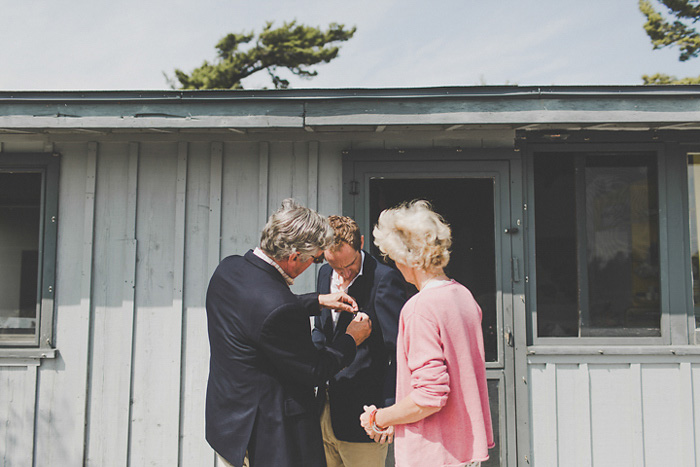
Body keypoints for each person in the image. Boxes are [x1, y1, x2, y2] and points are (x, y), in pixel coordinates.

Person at [205, 199, 372, 467]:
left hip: (227, 425)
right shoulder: (277, 309)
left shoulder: (229, 269)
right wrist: (351, 338)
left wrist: (317, 300)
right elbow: (315, 370)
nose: (317, 264)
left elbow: (259, 311)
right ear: (294, 256)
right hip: (267, 437)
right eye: (317, 259)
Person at [360, 200, 494, 467]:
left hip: (433, 455)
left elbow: (429, 397)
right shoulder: (463, 295)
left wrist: (379, 418)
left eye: (392, 256)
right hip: (464, 452)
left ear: (406, 257)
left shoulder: (419, 308)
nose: (395, 265)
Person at [312, 216, 407, 467]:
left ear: (361, 243)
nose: (343, 274)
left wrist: (388, 410)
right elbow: (321, 330)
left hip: (365, 417)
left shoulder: (385, 279)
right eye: (335, 266)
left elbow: (399, 351)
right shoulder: (324, 274)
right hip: (324, 412)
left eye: (350, 265)